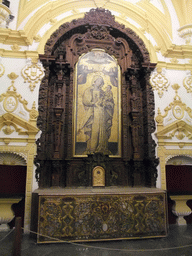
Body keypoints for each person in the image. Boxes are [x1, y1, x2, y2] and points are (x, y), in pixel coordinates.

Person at [81, 76, 114, 155]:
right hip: (93, 113)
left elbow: (109, 101)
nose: (99, 83)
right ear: (94, 81)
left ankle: (101, 147)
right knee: (94, 130)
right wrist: (93, 103)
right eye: (98, 81)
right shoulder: (89, 90)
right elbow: (86, 101)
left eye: (101, 81)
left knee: (101, 130)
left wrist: (106, 104)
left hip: (101, 113)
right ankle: (92, 148)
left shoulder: (103, 92)